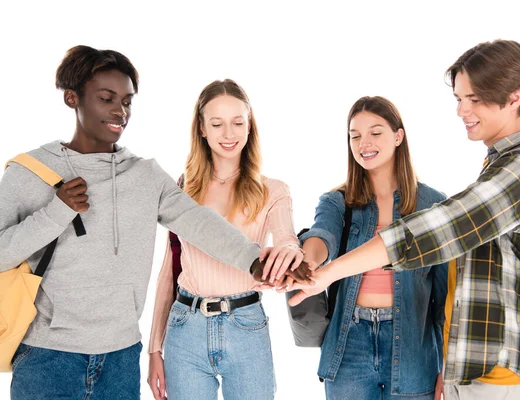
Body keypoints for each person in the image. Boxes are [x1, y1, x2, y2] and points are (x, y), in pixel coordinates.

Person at [0, 46, 306, 400]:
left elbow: (200, 223)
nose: (120, 111)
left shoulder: (146, 176)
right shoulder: (28, 172)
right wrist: (55, 212)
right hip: (47, 358)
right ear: (73, 98)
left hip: (120, 360)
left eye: (127, 101)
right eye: (106, 98)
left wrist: (257, 261)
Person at [289, 40, 520, 400]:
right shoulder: (496, 167)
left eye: (474, 98)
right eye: (459, 98)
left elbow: (439, 229)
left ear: (514, 97)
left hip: (510, 374)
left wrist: (329, 272)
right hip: (477, 370)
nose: (461, 110)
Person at [147, 79, 304, 400]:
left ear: (250, 127)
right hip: (185, 327)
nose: (228, 134)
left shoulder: (273, 190)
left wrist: (287, 255)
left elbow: (287, 238)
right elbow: (170, 270)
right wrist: (153, 349)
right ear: (202, 129)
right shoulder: (183, 188)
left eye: (237, 123)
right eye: (217, 124)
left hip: (246, 326)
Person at [296, 96, 448, 399]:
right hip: (349, 345)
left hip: (412, 351)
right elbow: (321, 235)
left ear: (398, 136)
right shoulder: (337, 201)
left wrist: (447, 367)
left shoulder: (432, 204)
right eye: (355, 135)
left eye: (375, 133)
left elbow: (443, 299)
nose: (364, 143)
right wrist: (310, 263)